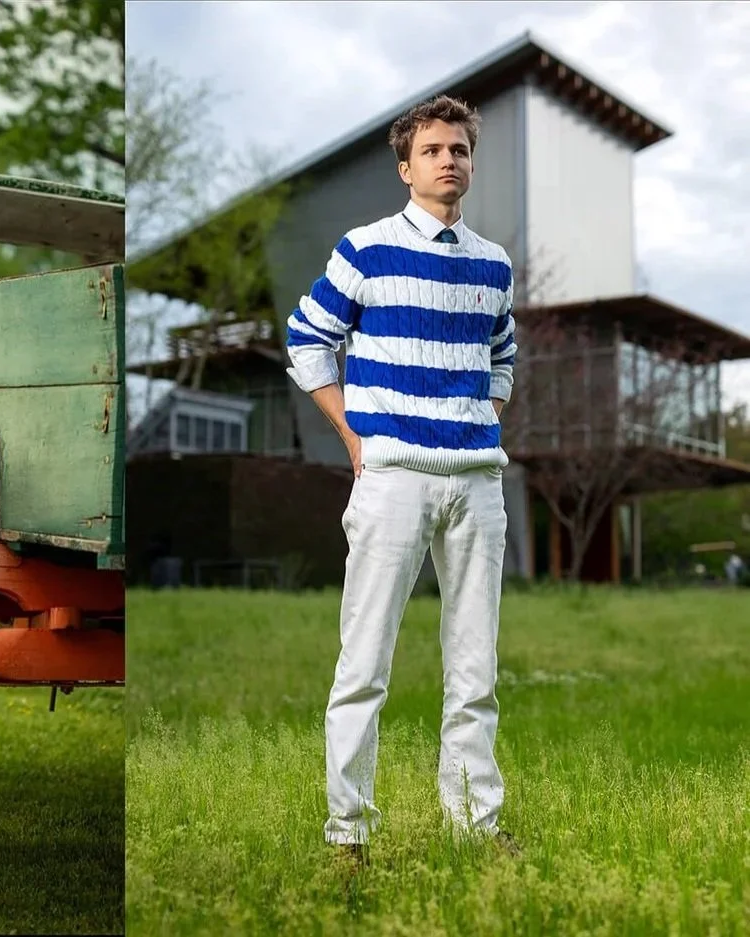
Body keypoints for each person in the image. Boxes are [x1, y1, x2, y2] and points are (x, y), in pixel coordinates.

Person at [283, 95, 520, 868]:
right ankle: (348, 832)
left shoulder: (494, 264)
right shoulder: (366, 249)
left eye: (459, 149)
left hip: (478, 484)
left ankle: (476, 827)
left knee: (475, 667)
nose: (448, 160)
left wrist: (478, 419)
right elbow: (307, 340)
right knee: (363, 665)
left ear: (470, 163)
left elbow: (504, 358)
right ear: (405, 166)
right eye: (432, 150)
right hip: (392, 480)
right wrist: (356, 436)